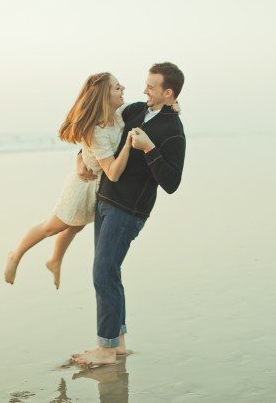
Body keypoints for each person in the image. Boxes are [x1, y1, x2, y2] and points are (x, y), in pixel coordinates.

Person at [72, 62, 186, 368]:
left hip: (130, 210)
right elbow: (101, 128)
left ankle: (105, 350)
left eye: (150, 86)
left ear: (168, 92)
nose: (143, 90)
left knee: (103, 273)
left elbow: (172, 183)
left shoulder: (172, 129)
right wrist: (79, 157)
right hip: (106, 200)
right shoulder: (135, 110)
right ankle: (118, 345)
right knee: (109, 272)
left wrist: (149, 148)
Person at [4, 72, 134, 289]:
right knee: (51, 227)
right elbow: (110, 168)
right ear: (104, 95)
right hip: (83, 185)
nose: (123, 89)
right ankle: (15, 256)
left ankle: (54, 260)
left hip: (97, 185)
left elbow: (147, 107)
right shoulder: (96, 130)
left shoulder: (118, 112)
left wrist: (173, 104)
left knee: (75, 227)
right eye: (117, 87)